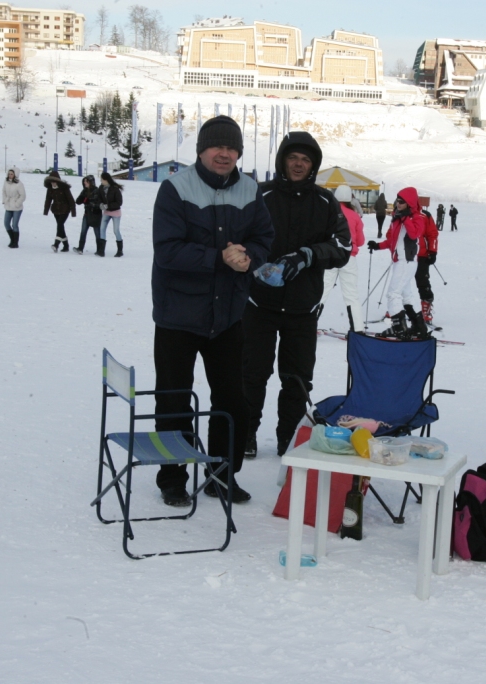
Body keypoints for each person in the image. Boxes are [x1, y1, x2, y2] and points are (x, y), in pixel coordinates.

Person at [150, 114, 274, 507]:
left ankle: (222, 474)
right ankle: (172, 477)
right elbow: (167, 250)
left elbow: (263, 238)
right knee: (174, 400)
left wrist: (250, 256)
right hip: (178, 316)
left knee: (232, 401)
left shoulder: (250, 190)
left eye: (231, 147)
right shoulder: (175, 189)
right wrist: (220, 258)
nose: (224, 153)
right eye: (216, 146)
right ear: (201, 150)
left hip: (227, 317)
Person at [243, 131, 351, 459]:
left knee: (297, 379)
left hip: (303, 309)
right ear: (282, 161)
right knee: (251, 374)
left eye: (305, 160)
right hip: (259, 304)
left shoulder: (325, 201)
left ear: (313, 165)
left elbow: (343, 246)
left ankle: (287, 439)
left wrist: (307, 255)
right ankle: (245, 434)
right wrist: (256, 265)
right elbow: (238, 235)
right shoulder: (261, 195)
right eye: (293, 158)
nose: (299, 164)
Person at [367, 187, 428, 340]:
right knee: (406, 296)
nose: (398, 204)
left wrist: (406, 218)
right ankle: (419, 327)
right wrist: (377, 245)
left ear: (409, 203)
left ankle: (399, 328)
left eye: (401, 202)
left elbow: (414, 234)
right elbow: (392, 241)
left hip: (407, 261)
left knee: (393, 294)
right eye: (397, 201)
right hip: (399, 261)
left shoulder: (417, 218)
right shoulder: (397, 217)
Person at [318, 184, 365, 332]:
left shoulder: (328, 212)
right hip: (349, 258)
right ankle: (357, 329)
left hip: (330, 256)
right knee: (351, 295)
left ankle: (310, 324)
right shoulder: (355, 215)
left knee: (321, 291)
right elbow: (361, 240)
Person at [415, 205, 439, 325]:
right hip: (403, 255)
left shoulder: (425, 215)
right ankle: (395, 307)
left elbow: (432, 233)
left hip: (422, 255)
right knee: (400, 282)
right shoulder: (399, 214)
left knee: (422, 280)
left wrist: (433, 251)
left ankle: (426, 308)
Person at [42, 170, 76, 252]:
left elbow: (71, 200)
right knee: (61, 227)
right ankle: (66, 246)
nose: (53, 183)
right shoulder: (50, 189)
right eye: (51, 182)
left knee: (60, 225)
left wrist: (73, 212)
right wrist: (46, 210)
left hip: (65, 210)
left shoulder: (64, 188)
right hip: (56, 210)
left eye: (54, 181)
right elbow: (48, 200)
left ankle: (56, 244)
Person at [73, 175, 101, 255]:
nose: (85, 183)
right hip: (87, 214)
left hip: (96, 215)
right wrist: (82, 197)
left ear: (91, 182)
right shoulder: (84, 191)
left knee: (97, 233)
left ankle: (99, 250)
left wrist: (88, 202)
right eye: (84, 181)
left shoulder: (96, 190)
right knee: (83, 231)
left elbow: (97, 204)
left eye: (86, 181)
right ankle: (80, 248)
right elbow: (78, 201)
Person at [98, 172, 125, 257]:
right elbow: (99, 198)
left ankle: (120, 251)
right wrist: (101, 204)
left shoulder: (115, 189)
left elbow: (119, 202)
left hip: (115, 212)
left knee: (116, 230)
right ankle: (101, 250)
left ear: (106, 180)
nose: (101, 181)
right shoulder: (101, 188)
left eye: (102, 179)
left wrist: (108, 205)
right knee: (102, 228)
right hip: (106, 212)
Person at [2, 167, 25, 249]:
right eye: (9, 174)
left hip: (17, 208)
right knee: (6, 223)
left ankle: (15, 243)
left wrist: (17, 203)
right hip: (8, 206)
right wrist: (5, 200)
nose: (10, 175)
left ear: (15, 175)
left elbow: (23, 195)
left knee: (14, 225)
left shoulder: (19, 184)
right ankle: (12, 240)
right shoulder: (6, 182)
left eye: (12, 174)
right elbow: (3, 191)